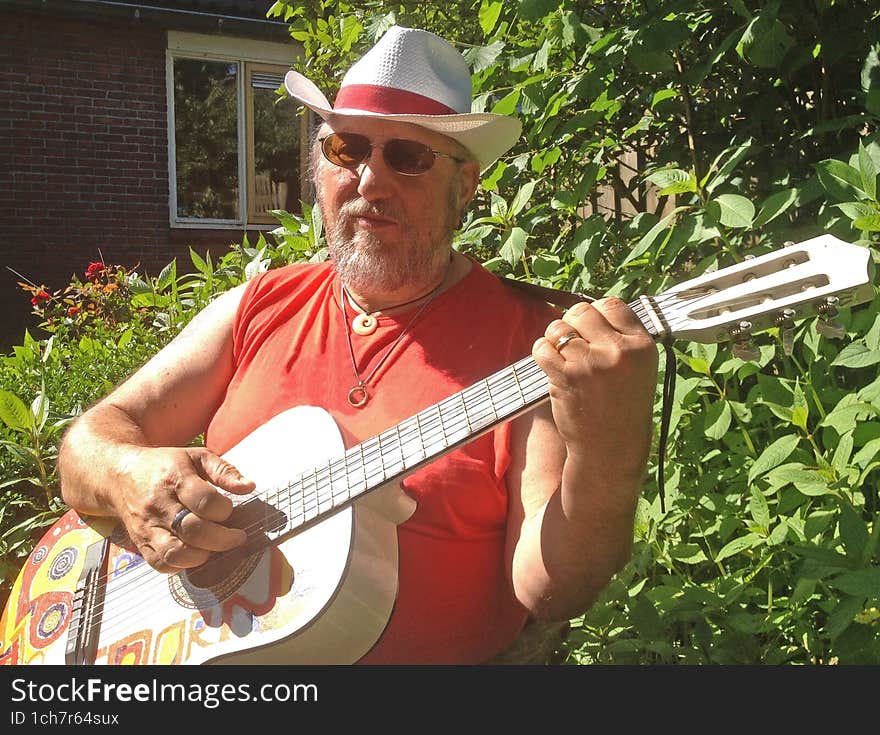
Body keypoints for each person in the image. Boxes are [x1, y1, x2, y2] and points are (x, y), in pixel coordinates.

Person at [57, 26, 659, 664]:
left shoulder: (533, 345)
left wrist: (610, 452)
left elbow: (550, 588)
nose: (370, 181)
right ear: (319, 170)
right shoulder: (261, 304)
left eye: (408, 156)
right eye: (346, 149)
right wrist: (129, 473)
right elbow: (89, 442)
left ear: (466, 187)